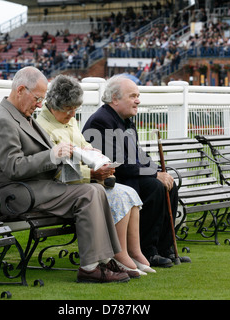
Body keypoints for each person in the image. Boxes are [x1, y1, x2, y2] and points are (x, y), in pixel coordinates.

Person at [0, 66, 130, 283]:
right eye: (38, 98)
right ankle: (90, 267)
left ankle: (106, 258)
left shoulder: (22, 116)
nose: (40, 104)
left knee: (96, 189)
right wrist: (52, 155)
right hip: (15, 194)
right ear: (21, 89)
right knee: (88, 193)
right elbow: (13, 168)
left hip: (36, 187)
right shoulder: (4, 120)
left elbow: (49, 156)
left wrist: (81, 154)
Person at [36, 74, 155, 276]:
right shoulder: (43, 127)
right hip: (66, 187)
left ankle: (133, 252)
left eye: (76, 109)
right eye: (68, 110)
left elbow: (84, 145)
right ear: (54, 105)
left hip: (84, 181)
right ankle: (119, 254)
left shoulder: (67, 120)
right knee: (119, 195)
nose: (73, 115)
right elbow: (58, 171)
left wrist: (98, 157)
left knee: (129, 194)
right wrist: (91, 172)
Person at [82, 74, 191, 267]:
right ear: (115, 99)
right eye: (132, 96)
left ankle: (164, 249)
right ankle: (147, 252)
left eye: (138, 95)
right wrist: (155, 174)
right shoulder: (102, 121)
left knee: (168, 185)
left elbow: (138, 156)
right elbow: (119, 163)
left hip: (129, 177)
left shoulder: (126, 121)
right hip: (111, 182)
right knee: (155, 186)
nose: (138, 100)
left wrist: (158, 171)